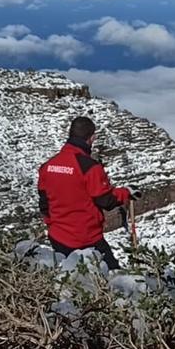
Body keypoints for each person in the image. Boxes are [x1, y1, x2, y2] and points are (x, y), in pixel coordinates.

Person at [37, 115, 141, 271]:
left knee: (69, 280)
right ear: (91, 138)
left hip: (58, 237)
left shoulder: (48, 166)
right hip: (87, 239)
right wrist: (127, 192)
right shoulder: (89, 167)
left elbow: (44, 202)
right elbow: (106, 200)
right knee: (113, 278)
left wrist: (52, 224)